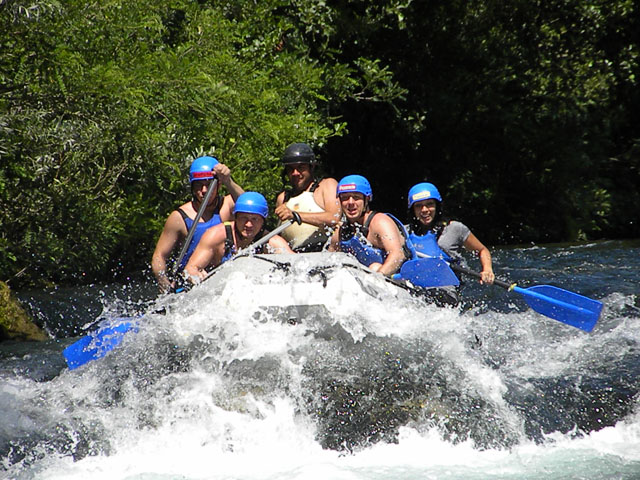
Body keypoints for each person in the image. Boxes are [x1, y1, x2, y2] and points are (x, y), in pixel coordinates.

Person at [151, 156, 244, 292]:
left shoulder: (227, 205)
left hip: (224, 280)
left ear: (218, 185)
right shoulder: (179, 217)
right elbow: (159, 256)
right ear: (192, 187)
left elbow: (250, 208)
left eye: (208, 184)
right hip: (192, 283)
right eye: (199, 185)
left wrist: (228, 181)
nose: (204, 190)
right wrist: (164, 284)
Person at [185, 192, 294, 282]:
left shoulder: (271, 241)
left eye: (254, 219)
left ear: (263, 222)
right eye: (243, 218)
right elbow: (190, 268)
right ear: (235, 218)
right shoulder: (216, 235)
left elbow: (296, 265)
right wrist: (196, 276)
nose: (248, 225)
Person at [406, 182, 494, 285]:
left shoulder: (454, 228)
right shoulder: (404, 233)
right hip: (414, 286)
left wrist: (487, 269)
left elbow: (482, 250)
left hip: (445, 289)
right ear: (413, 210)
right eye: (418, 206)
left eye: (429, 204)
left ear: (437, 206)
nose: (424, 210)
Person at [328, 174, 409, 276]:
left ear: (366, 199)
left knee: (374, 267)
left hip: (396, 279)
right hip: (367, 283)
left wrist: (377, 278)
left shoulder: (380, 222)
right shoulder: (341, 231)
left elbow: (398, 255)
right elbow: (328, 259)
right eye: (345, 198)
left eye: (356, 197)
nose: (350, 202)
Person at [274, 142, 341, 252]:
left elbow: (334, 218)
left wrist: (295, 215)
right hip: (294, 256)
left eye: (301, 167)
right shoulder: (283, 198)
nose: (295, 173)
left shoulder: (326, 186)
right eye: (291, 169)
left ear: (311, 167)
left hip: (324, 251)